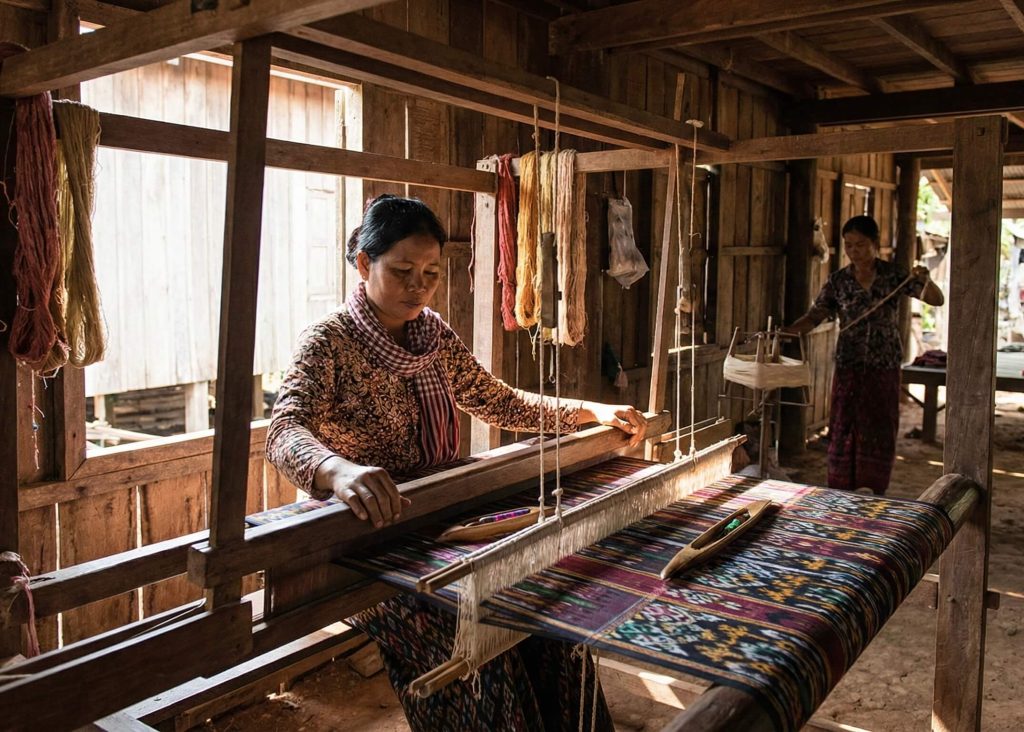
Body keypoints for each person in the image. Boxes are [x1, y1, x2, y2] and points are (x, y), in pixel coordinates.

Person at [266, 194, 647, 731]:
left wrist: (590, 410)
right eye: (402, 271)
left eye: (430, 272)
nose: (418, 285)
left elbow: (497, 401)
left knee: (544, 620)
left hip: (441, 521)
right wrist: (339, 471)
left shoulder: (433, 337)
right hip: (366, 540)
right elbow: (284, 430)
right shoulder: (328, 342)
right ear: (362, 264)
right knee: (471, 646)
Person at [783, 215, 944, 495]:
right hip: (849, 363)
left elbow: (936, 299)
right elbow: (816, 315)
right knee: (845, 423)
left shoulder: (895, 275)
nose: (854, 251)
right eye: (848, 246)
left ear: (875, 243)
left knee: (880, 423)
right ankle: (842, 485)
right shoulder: (838, 282)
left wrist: (925, 279)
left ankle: (873, 484)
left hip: (884, 364)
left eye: (860, 244)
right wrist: (787, 332)